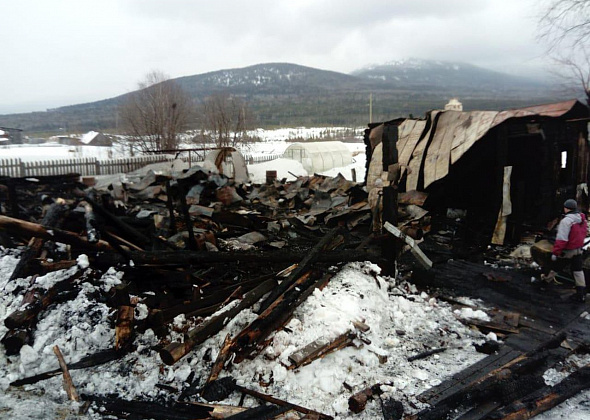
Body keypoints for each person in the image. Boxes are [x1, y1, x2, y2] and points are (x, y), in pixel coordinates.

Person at [551, 199, 587, 302]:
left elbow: (562, 239)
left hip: (568, 250)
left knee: (555, 267)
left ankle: (543, 282)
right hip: (578, 249)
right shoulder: (582, 219)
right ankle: (581, 293)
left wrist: (555, 252)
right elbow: (584, 233)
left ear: (566, 208)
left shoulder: (566, 221)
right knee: (578, 271)